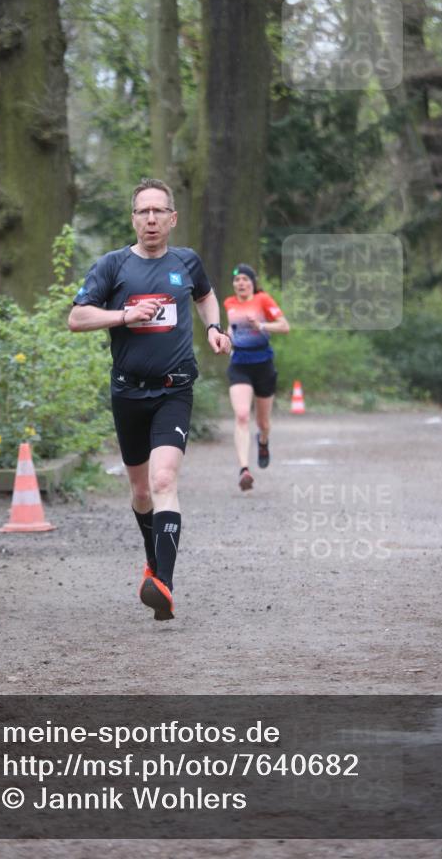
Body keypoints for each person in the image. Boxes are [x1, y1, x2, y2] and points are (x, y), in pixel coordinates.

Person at [68, 179, 231, 621]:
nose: (152, 219)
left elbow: (205, 295)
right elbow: (77, 317)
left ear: (173, 218)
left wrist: (214, 329)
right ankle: (154, 562)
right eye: (144, 212)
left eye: (159, 211)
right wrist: (124, 315)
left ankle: (164, 585)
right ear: (133, 219)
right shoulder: (112, 265)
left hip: (174, 389)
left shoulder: (186, 261)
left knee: (163, 480)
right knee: (141, 492)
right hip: (128, 392)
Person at [224, 264, 289, 491]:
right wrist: (226, 338)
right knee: (242, 415)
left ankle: (263, 441)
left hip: (263, 364)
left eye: (245, 279)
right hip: (239, 364)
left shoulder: (263, 300)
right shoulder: (229, 303)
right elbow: (233, 329)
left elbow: (284, 326)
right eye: (237, 280)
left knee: (263, 423)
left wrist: (261, 325)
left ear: (253, 282)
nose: (240, 283)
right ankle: (244, 469)